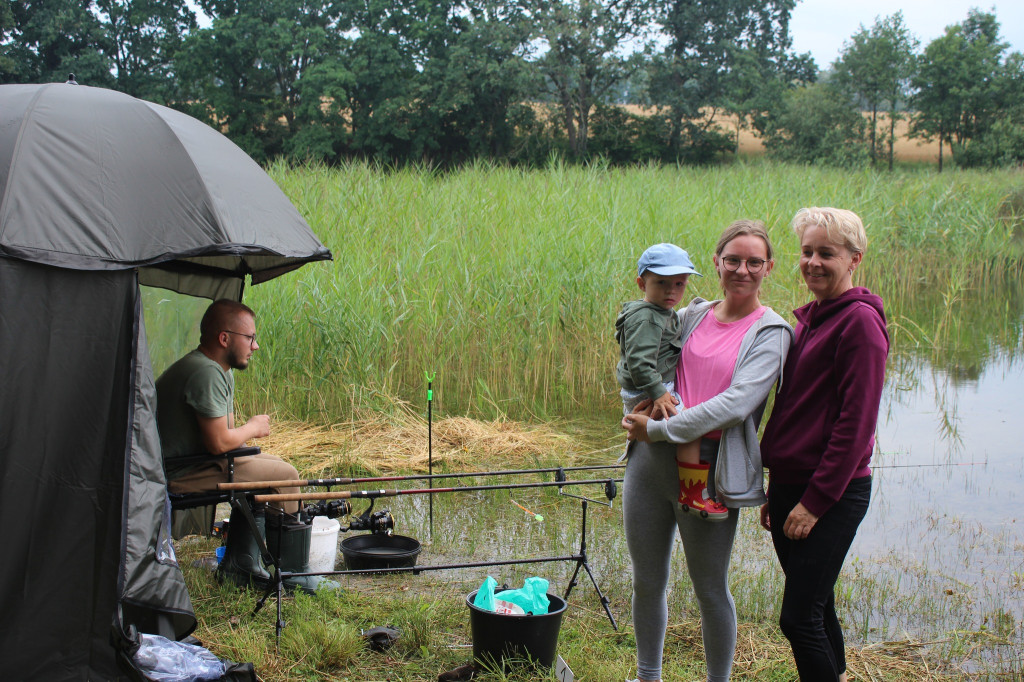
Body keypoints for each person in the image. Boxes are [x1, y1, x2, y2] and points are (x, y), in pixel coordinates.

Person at [620, 221, 793, 682]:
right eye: (732, 259)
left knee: (710, 589)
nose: (742, 270)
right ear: (716, 263)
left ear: (768, 267)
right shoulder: (690, 313)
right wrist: (633, 405)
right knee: (647, 580)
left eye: (754, 261)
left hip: (710, 472)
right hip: (649, 468)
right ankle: (647, 676)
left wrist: (661, 429)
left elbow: (737, 404)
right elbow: (644, 360)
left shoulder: (772, 332)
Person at [758, 207, 889, 681]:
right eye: (807, 251)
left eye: (826, 254)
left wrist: (813, 503)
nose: (813, 262)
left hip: (832, 492)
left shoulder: (859, 324)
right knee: (818, 605)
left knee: (798, 618)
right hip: (793, 486)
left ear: (855, 258)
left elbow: (856, 426)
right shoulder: (809, 320)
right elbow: (797, 412)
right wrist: (780, 493)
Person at [156, 299, 338, 594]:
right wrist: (253, 427)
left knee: (277, 466)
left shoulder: (220, 370)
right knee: (287, 475)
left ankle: (240, 568)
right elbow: (218, 442)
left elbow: (227, 435)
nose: (255, 346)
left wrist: (247, 438)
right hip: (178, 471)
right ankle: (293, 577)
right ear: (224, 338)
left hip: (201, 461)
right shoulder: (205, 372)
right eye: (250, 338)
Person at [616, 243, 725, 520]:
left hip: (649, 385)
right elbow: (640, 363)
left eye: (679, 283)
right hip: (648, 386)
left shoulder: (658, 312)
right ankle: (692, 492)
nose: (671, 291)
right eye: (661, 283)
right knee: (688, 424)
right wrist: (660, 395)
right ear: (641, 283)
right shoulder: (648, 318)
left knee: (678, 425)